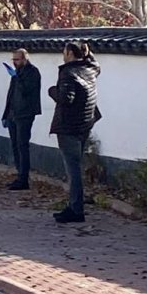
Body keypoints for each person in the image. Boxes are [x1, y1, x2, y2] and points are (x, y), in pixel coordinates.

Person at [48, 43, 100, 224]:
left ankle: (76, 209)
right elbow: (95, 62)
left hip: (68, 126)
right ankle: (74, 205)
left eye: (64, 52)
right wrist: (88, 52)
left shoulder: (68, 73)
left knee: (73, 169)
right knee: (77, 166)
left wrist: (52, 91)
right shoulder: (91, 69)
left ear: (69, 53)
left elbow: (66, 99)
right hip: (85, 123)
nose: (63, 55)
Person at [1, 48, 42, 190]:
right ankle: (19, 175)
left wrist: (16, 78)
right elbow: (11, 95)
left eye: (17, 59)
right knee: (15, 145)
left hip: (25, 114)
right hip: (13, 113)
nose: (14, 62)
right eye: (13, 59)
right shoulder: (17, 73)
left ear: (24, 59)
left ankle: (24, 178)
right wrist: (5, 114)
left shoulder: (32, 72)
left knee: (22, 145)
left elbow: (26, 91)